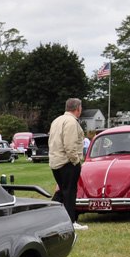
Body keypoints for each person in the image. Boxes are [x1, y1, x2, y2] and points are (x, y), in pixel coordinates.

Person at [48, 98, 87, 230]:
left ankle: (49, 216)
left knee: (62, 191)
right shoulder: (71, 122)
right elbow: (69, 145)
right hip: (67, 161)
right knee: (70, 192)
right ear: (78, 109)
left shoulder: (57, 120)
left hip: (55, 161)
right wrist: (76, 161)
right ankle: (71, 221)